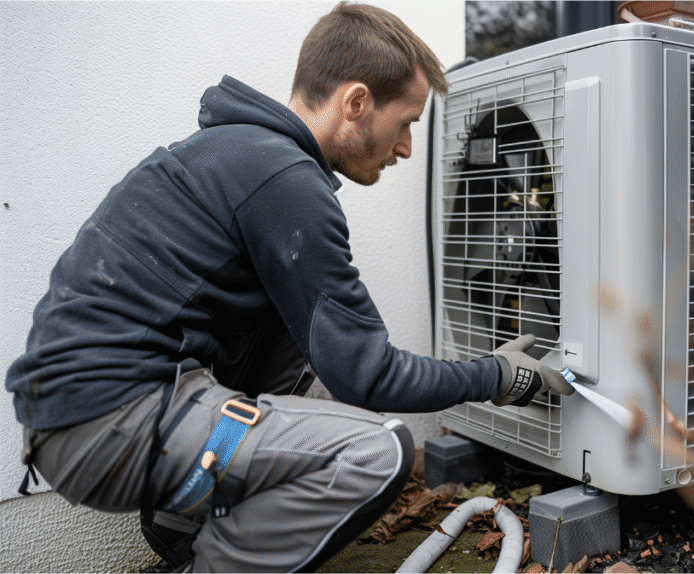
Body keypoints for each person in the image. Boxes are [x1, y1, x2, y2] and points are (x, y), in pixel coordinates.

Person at [5, 3, 573, 572]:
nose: (404, 148)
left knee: (307, 361)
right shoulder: (283, 180)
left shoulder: (240, 156)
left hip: (76, 415)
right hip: (104, 421)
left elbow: (337, 362)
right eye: (405, 124)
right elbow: (371, 374)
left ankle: (184, 530)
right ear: (356, 103)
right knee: (377, 450)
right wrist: (499, 376)